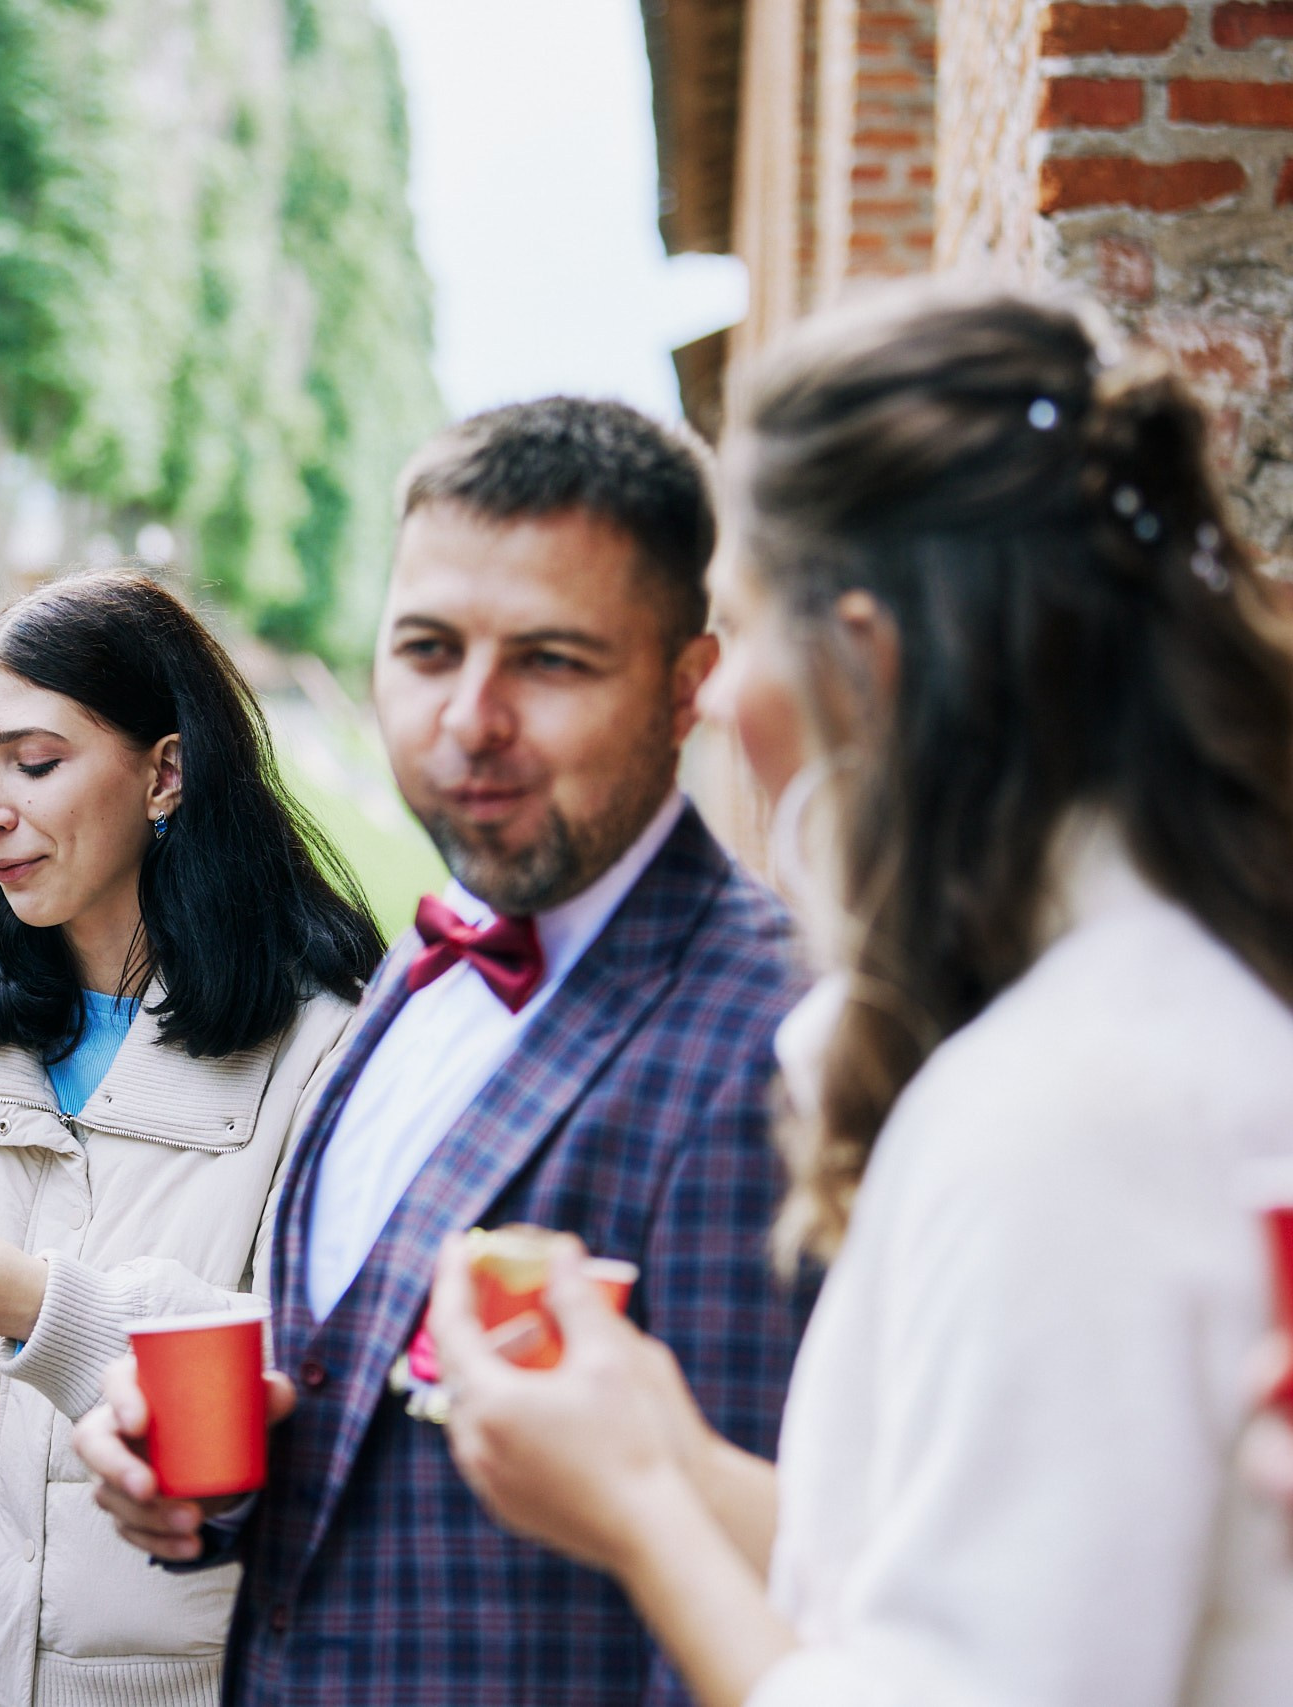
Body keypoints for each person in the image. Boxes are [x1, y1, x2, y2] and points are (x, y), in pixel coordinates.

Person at [424, 291, 1293, 1706]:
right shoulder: (1129, 1019)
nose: (710, 699)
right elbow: (941, 1594)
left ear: (870, 653)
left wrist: (643, 1514)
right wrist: (672, 1453)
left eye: (743, 624)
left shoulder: (1065, 1106)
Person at [74, 399, 816, 1705]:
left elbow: (759, 1575)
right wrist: (224, 1470)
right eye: (427, 647)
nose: (471, 717)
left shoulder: (774, 1036)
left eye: (553, 660)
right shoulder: (419, 973)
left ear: (689, 685)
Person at [0, 571, 382, 1707]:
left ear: (166, 771)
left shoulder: (326, 1051)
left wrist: (29, 1303)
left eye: (33, 762)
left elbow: (312, 1398)